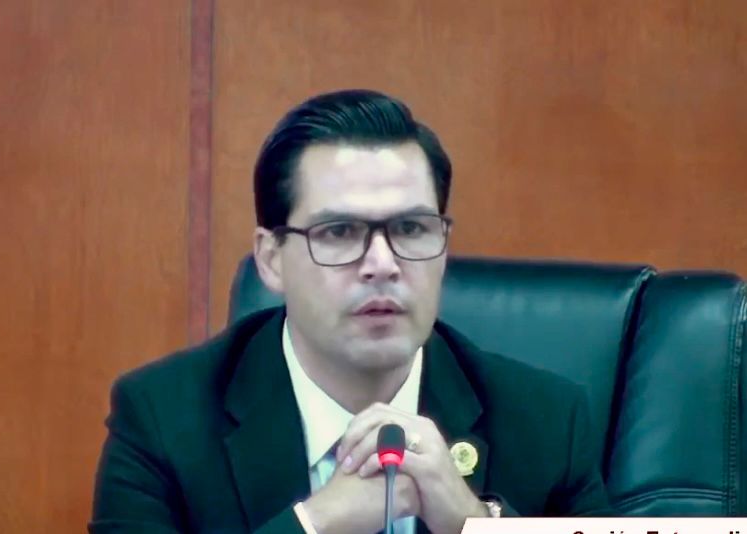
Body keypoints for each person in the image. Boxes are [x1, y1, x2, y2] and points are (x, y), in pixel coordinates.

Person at [90, 89, 612, 534]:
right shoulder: (163, 421)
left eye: (411, 229)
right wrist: (315, 523)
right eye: (339, 232)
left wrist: (471, 522)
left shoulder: (547, 422)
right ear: (271, 259)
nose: (382, 264)